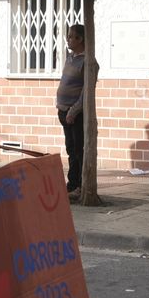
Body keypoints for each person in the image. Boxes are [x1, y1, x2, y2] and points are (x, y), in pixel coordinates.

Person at [56, 24, 87, 198]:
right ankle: (72, 182)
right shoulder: (70, 58)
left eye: (71, 37)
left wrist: (74, 110)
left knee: (78, 150)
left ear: (80, 39)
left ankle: (80, 185)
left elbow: (85, 92)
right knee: (70, 149)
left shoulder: (87, 61)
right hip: (62, 109)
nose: (68, 39)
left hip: (74, 113)